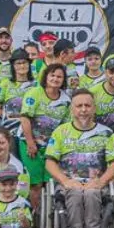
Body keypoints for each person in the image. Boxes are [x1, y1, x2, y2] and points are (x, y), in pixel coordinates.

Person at [44, 88, 114, 228]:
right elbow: (49, 162)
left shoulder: (106, 133)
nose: (83, 110)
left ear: (94, 108)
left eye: (87, 105)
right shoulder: (60, 132)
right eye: (79, 106)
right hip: (69, 183)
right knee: (76, 194)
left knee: (91, 194)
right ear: (72, 109)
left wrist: (101, 181)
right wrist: (65, 181)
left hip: (96, 183)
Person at [20, 63, 71, 200]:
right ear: (46, 77)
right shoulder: (34, 93)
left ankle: (49, 211)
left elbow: (65, 127)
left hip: (51, 147)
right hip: (28, 143)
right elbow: (25, 118)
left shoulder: (66, 100)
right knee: (35, 184)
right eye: (52, 75)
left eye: (59, 77)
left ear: (63, 80)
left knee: (51, 183)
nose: (55, 79)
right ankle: (35, 212)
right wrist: (30, 143)